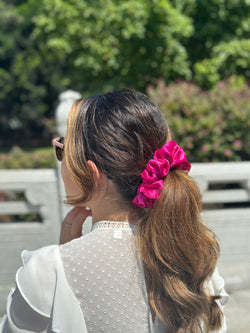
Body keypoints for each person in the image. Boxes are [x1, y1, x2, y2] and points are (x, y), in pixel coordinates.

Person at [0, 90, 228, 332]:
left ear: (91, 173)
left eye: (63, 150)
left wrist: (63, 258)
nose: (61, 158)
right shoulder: (196, 260)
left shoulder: (46, 270)